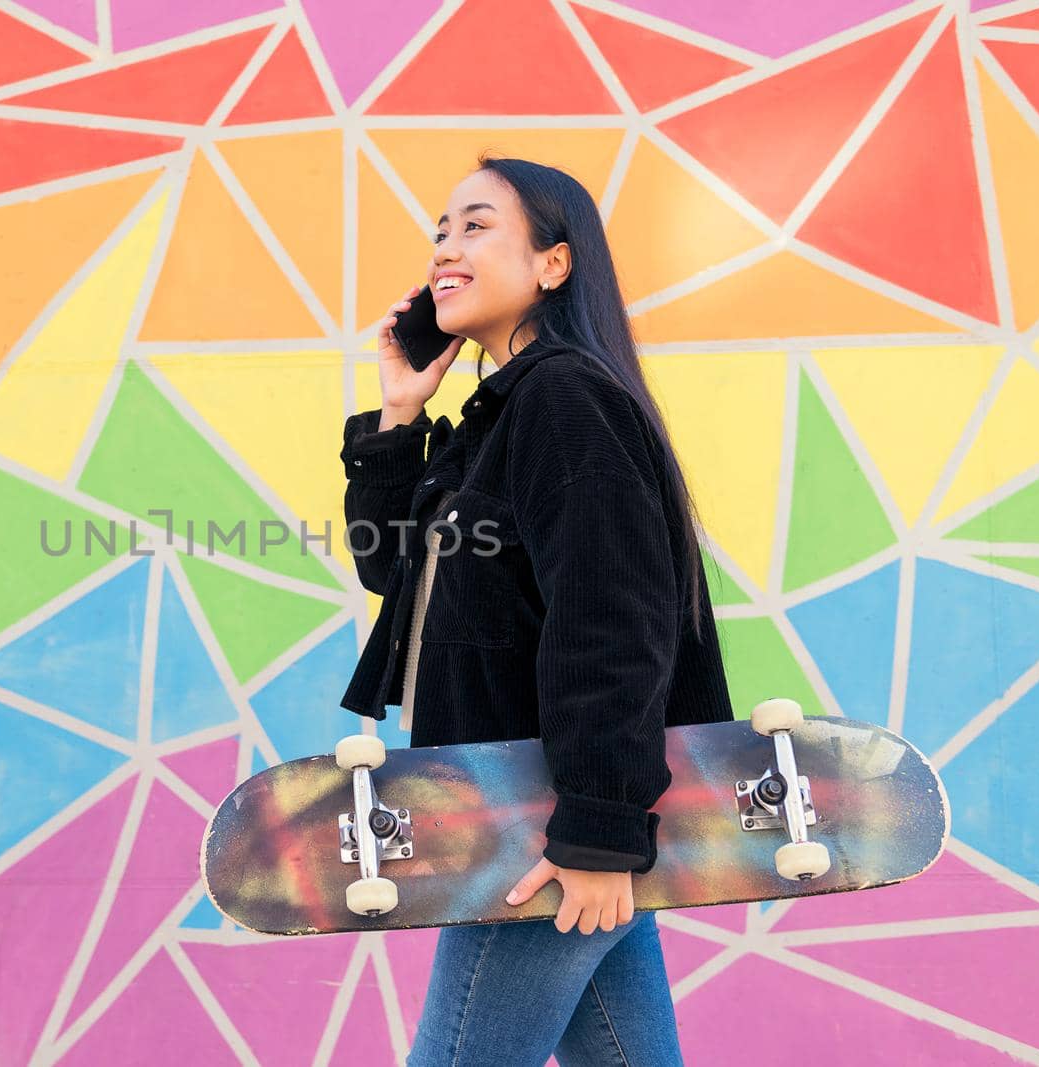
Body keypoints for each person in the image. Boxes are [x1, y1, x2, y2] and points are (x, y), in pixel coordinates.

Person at [337, 155, 736, 1065]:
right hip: (531, 809)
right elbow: (395, 572)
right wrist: (401, 413)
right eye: (439, 229)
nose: (445, 246)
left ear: (554, 264)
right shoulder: (498, 418)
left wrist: (596, 824)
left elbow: (613, 621)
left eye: (475, 224)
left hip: (542, 817)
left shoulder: (563, 397)